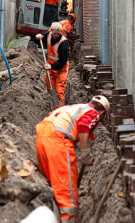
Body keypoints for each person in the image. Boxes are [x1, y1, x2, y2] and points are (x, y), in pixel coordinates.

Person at [35, 95, 110, 223]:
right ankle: (68, 219)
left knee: (52, 183)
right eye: (103, 117)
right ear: (102, 112)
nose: (100, 120)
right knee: (66, 190)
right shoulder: (93, 113)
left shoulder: (74, 107)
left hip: (42, 138)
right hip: (58, 142)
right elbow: (83, 126)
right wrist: (85, 153)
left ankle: (54, 215)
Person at [36, 22, 69, 105]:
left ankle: (60, 109)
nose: (56, 35)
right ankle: (52, 106)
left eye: (58, 34)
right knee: (50, 87)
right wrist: (37, 37)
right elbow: (39, 40)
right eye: (54, 33)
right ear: (51, 31)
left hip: (61, 69)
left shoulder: (64, 43)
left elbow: (63, 61)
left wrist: (51, 66)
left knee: (59, 91)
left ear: (60, 32)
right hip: (50, 67)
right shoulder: (48, 35)